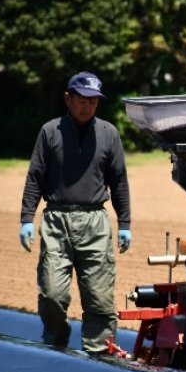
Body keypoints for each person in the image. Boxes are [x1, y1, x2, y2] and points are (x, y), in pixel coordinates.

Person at [19, 71, 132, 355]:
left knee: (99, 298)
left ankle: (99, 352)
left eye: (93, 101)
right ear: (68, 99)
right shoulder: (50, 131)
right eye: (82, 100)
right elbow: (35, 177)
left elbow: (118, 180)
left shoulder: (108, 134)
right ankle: (56, 343)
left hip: (95, 222)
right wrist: (26, 219)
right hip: (57, 220)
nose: (87, 106)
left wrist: (125, 223)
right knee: (52, 295)